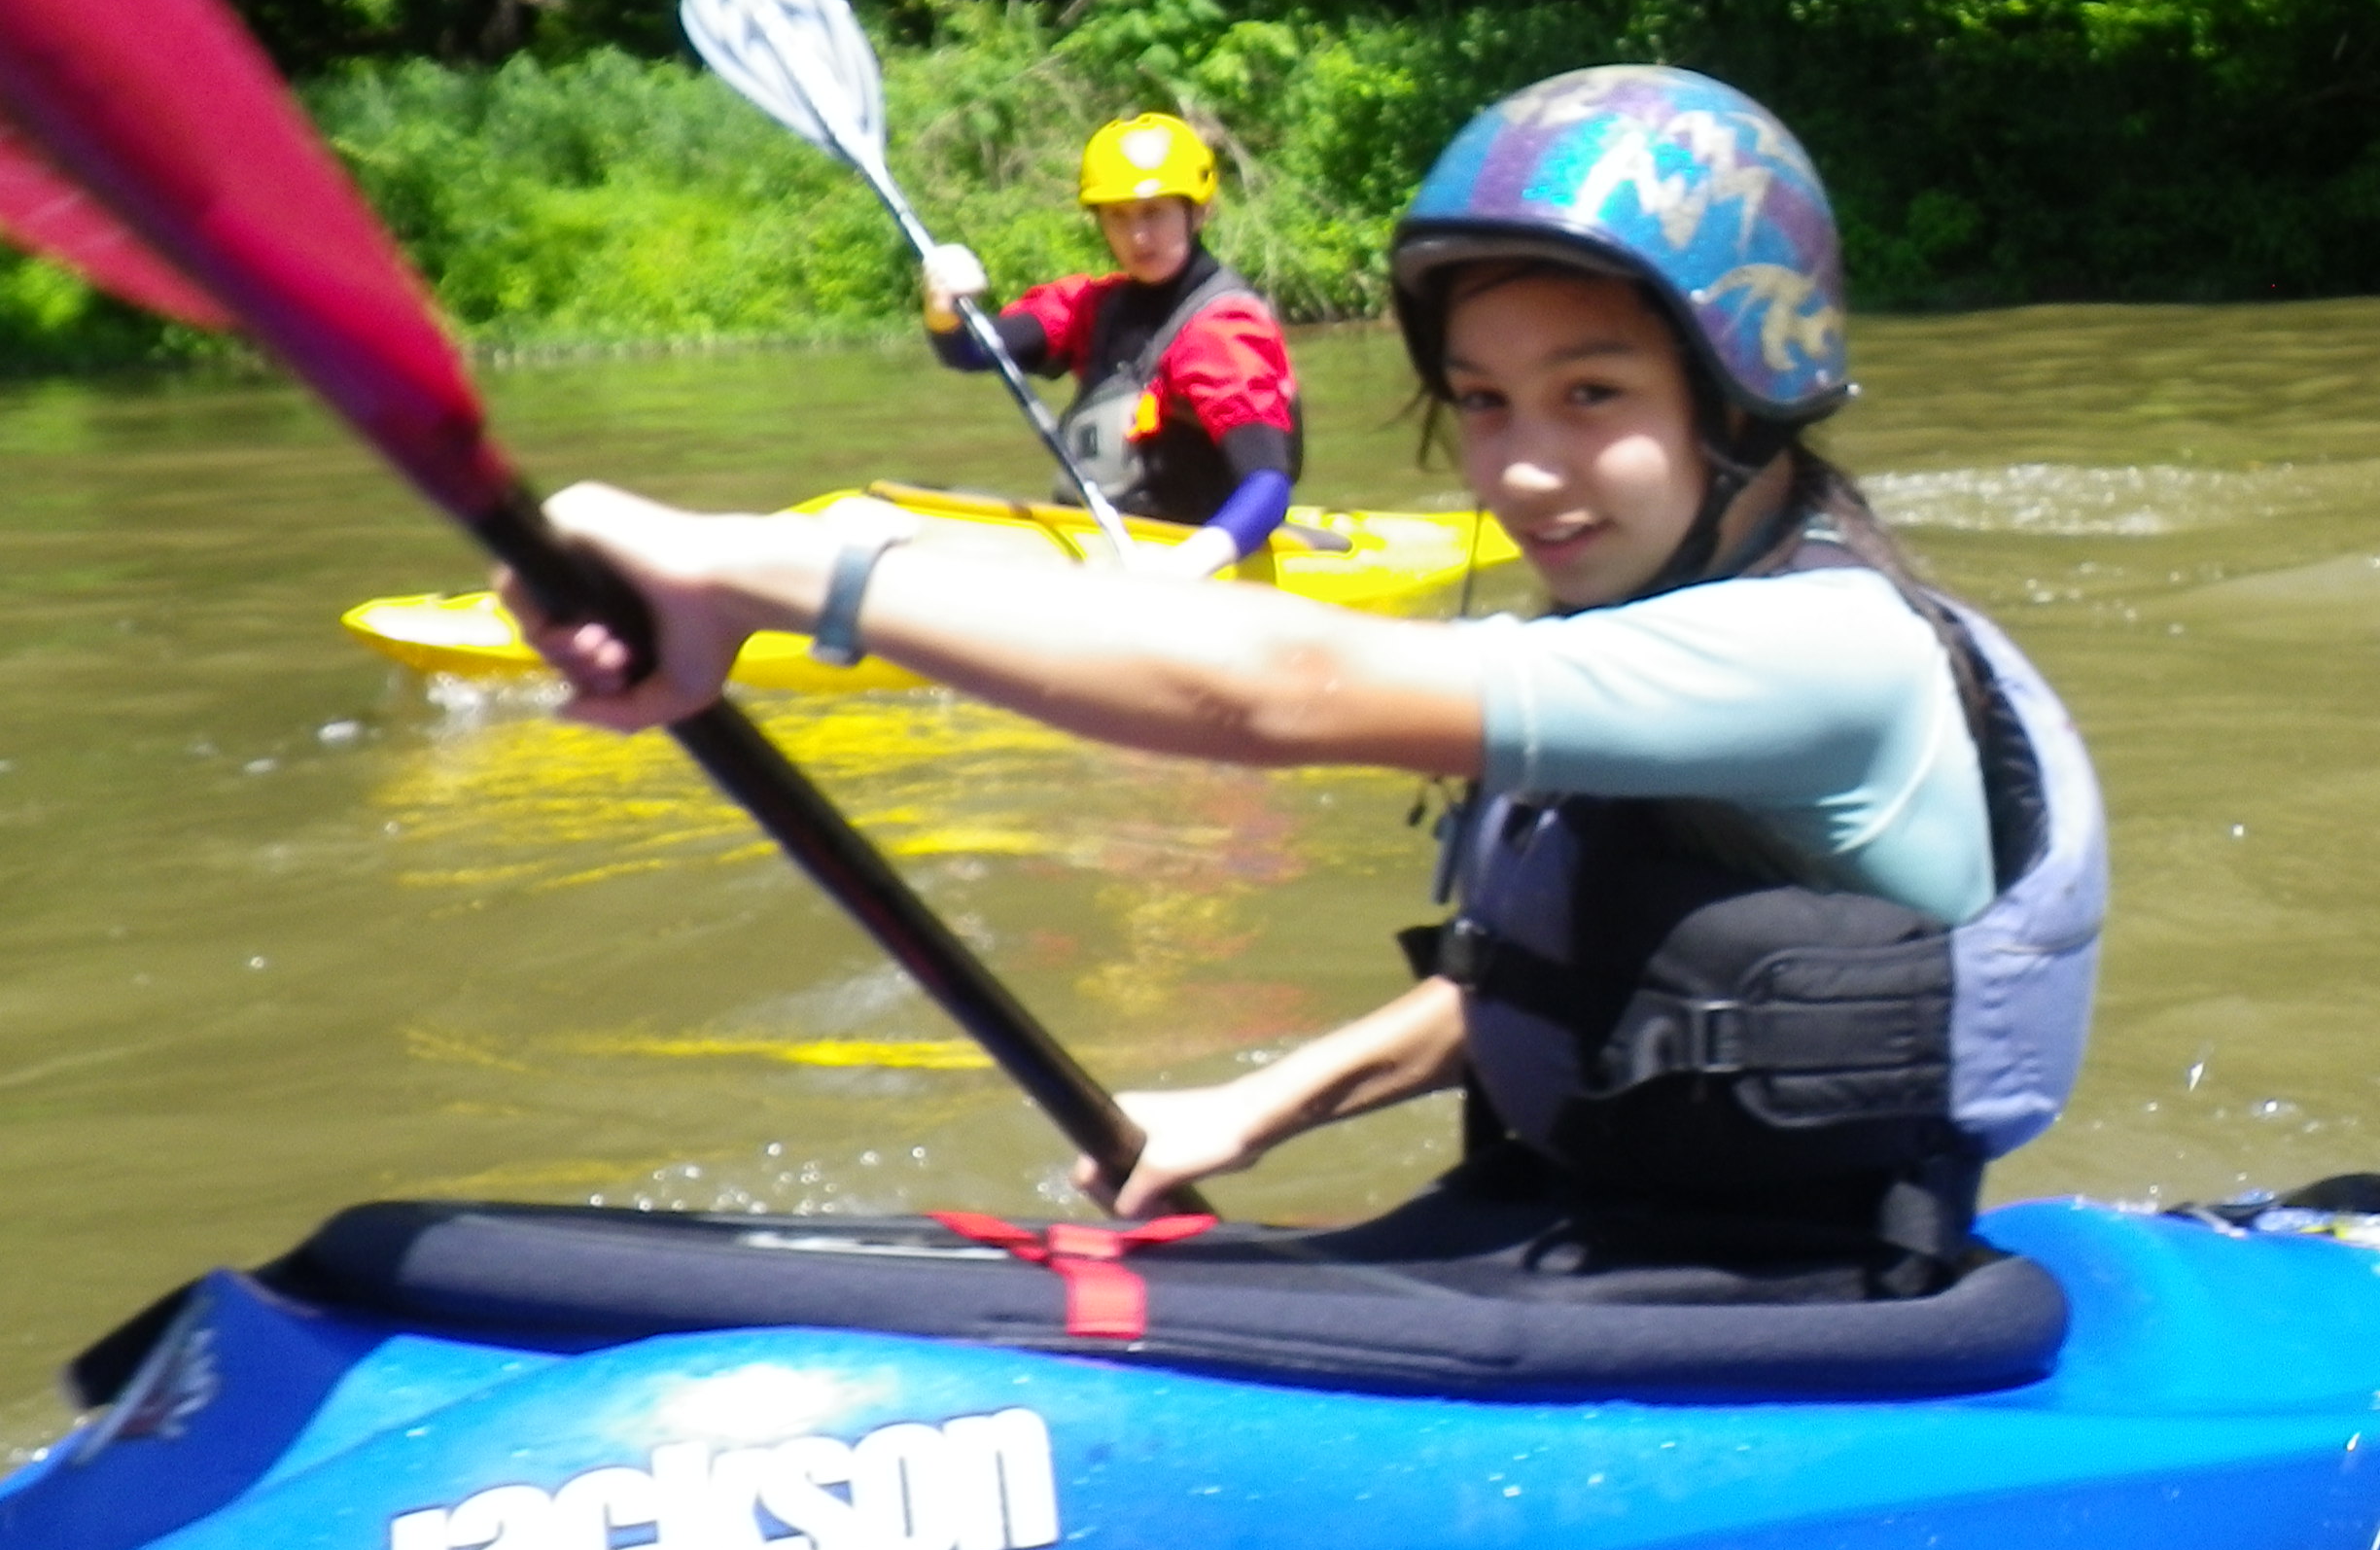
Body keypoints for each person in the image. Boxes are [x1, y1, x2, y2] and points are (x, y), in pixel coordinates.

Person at [518, 65, 2108, 1295]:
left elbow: (1264, 694)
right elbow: (1570, 981)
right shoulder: (1670, 597)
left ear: (1748, 392)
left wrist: (778, 568)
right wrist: (1254, 1110)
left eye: (1594, 394)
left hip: (1796, 1310)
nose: (1528, 471)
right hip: (1594, 1243)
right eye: (1483, 402)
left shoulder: (1819, 651)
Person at [923, 112, 1298, 581]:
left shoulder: (1222, 331)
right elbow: (971, 351)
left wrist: (1187, 565)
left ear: (1199, 211)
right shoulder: (1089, 306)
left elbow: (1269, 483)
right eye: (1117, 216)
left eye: (1154, 213)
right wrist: (943, 312)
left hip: (1191, 554)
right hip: (1107, 546)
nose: (1137, 237)